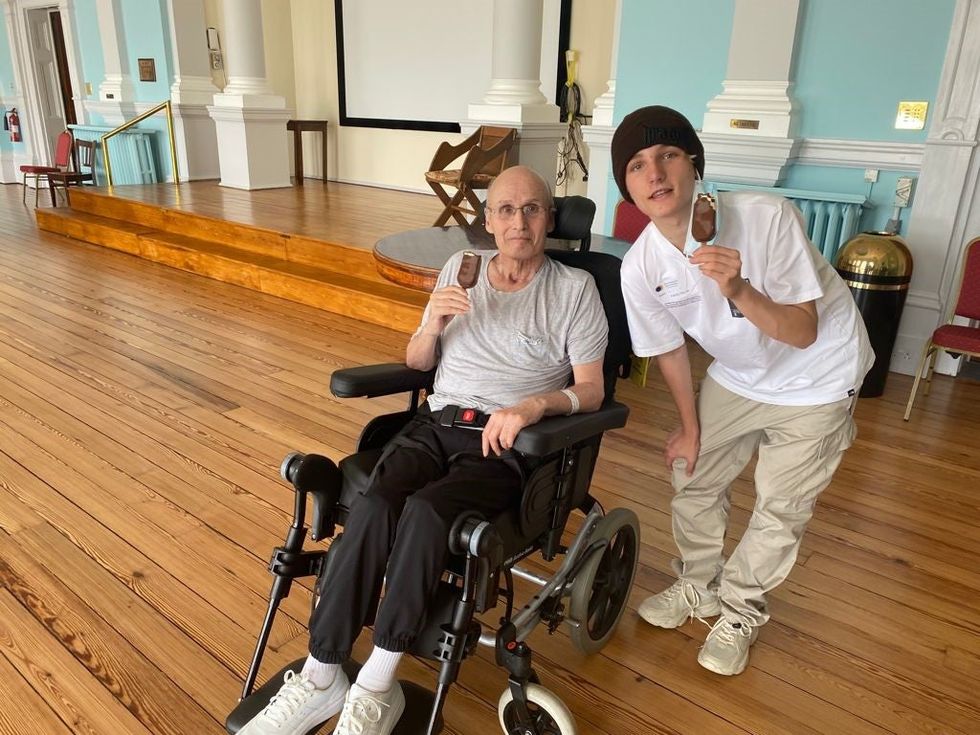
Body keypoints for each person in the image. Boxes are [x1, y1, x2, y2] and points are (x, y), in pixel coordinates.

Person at [238, 165, 608, 735]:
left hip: (504, 442)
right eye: (506, 210)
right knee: (377, 503)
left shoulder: (574, 290)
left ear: (550, 219)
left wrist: (534, 406)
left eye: (532, 209)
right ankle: (321, 675)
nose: (519, 221)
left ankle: (376, 687)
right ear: (487, 221)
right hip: (433, 424)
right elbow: (417, 363)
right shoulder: (461, 272)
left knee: (428, 512)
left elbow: (592, 389)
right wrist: (432, 321)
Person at [612, 106, 873, 676]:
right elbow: (669, 350)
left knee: (781, 506)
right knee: (694, 475)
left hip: (819, 376)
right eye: (636, 166)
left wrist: (738, 287)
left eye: (668, 156)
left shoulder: (768, 217)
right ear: (627, 188)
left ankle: (739, 609)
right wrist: (689, 427)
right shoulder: (639, 266)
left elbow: (803, 332)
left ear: (695, 165)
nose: (654, 173)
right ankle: (697, 586)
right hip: (738, 374)